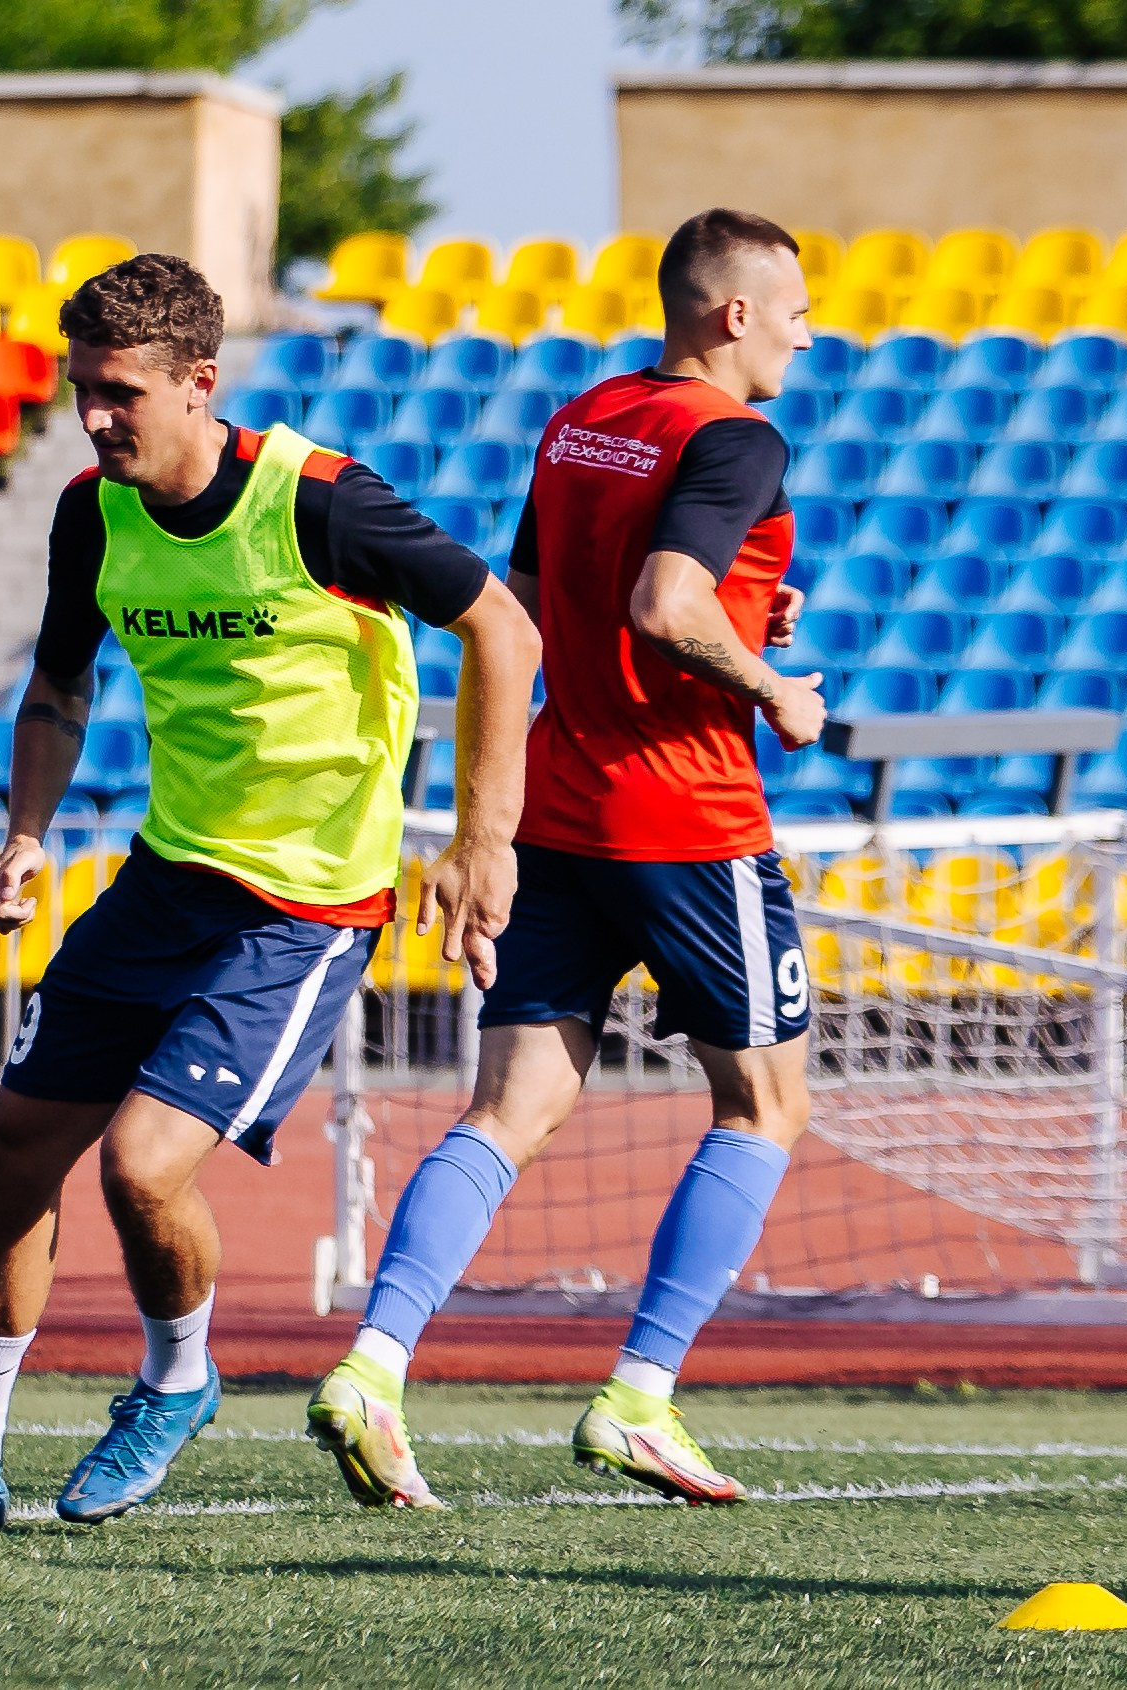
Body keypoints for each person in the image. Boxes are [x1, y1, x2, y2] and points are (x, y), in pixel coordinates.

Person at [0, 253, 542, 1530]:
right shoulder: (93, 513)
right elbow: (59, 691)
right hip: (166, 876)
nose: (93, 415)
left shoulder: (321, 505)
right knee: (12, 1151)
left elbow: (502, 628)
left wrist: (484, 838)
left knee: (141, 1166)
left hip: (303, 907)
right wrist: (25, 834)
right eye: (81, 388)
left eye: (118, 392)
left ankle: (177, 1383)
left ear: (200, 385)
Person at [305, 208, 822, 1510]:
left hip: (554, 804)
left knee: (507, 1111)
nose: (808, 335)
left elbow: (531, 605)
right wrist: (770, 683)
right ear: (732, 313)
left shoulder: (582, 413)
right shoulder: (734, 435)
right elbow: (661, 602)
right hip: (686, 819)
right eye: (797, 311)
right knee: (761, 1106)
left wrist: (740, 604)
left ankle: (371, 1365)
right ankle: (639, 1398)